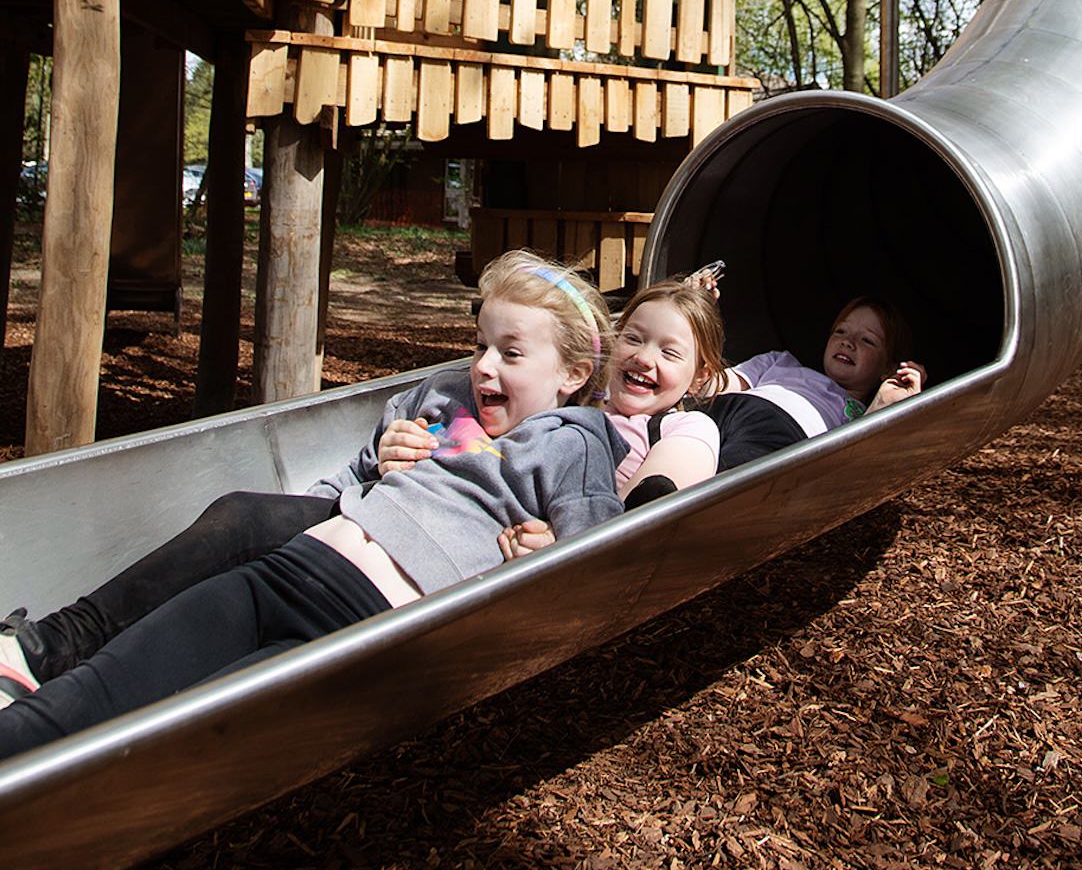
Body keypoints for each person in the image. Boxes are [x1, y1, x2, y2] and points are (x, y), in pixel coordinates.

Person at [0, 251, 625, 756]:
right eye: (480, 343)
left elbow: (598, 569)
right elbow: (341, 482)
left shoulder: (572, 443)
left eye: (511, 354)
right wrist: (382, 456)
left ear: (571, 373)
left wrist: (545, 552)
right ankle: (31, 670)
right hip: (281, 571)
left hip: (360, 623)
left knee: (164, 741)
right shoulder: (441, 393)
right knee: (93, 693)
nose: (483, 366)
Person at [495, 277, 728, 556]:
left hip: (575, 535)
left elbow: (653, 498)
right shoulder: (578, 392)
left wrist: (564, 532)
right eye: (633, 338)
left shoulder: (686, 427)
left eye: (669, 353)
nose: (643, 357)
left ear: (699, 378)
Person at [702, 293, 927, 471]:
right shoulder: (781, 362)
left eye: (867, 340)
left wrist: (892, 401)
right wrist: (697, 319)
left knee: (733, 470)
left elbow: (854, 465)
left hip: (779, 430)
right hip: (722, 408)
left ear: (887, 368)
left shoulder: (859, 415)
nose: (848, 342)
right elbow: (710, 385)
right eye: (841, 331)